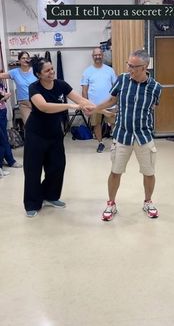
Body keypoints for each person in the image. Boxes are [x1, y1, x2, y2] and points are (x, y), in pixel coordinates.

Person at [93, 49, 162, 221]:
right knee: (115, 171)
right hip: (122, 135)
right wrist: (95, 108)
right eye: (128, 64)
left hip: (144, 136)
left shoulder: (155, 87)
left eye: (134, 66)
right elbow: (111, 100)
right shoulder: (122, 80)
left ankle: (148, 201)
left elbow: (153, 108)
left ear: (145, 66)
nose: (130, 69)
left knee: (149, 172)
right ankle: (111, 203)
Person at [23, 56, 95, 218]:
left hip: (54, 133)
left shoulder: (61, 84)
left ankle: (50, 196)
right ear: (38, 74)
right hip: (36, 134)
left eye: (52, 69)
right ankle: (32, 203)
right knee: (33, 170)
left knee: (57, 166)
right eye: (47, 70)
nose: (51, 72)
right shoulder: (34, 88)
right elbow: (44, 107)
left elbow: (80, 99)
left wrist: (93, 106)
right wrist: (70, 106)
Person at [81, 47, 117, 153]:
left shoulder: (110, 70)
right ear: (93, 57)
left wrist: (117, 102)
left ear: (102, 55)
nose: (98, 57)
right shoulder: (87, 71)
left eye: (99, 55)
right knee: (96, 124)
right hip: (94, 106)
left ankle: (114, 144)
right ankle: (100, 143)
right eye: (95, 55)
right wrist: (85, 105)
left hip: (110, 104)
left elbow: (116, 87)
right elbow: (84, 90)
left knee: (114, 124)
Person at [0, 51, 37, 125]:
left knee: (39, 125)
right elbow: (1, 75)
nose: (25, 59)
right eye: (23, 58)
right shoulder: (15, 72)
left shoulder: (35, 70)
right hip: (24, 103)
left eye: (27, 58)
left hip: (36, 101)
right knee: (28, 126)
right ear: (19, 60)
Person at [0, 80, 22, 177]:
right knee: (2, 139)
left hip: (2, 111)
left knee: (4, 138)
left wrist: (5, 96)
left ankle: (9, 160)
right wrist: (5, 96)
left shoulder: (1, 83)